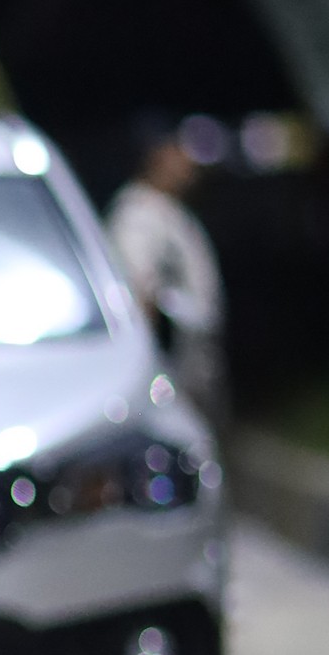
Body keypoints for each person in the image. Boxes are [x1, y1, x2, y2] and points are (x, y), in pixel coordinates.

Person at [107, 118, 227, 432]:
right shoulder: (137, 215)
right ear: (157, 154)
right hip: (166, 385)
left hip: (193, 376)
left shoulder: (169, 209)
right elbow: (139, 298)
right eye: (178, 150)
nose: (189, 163)